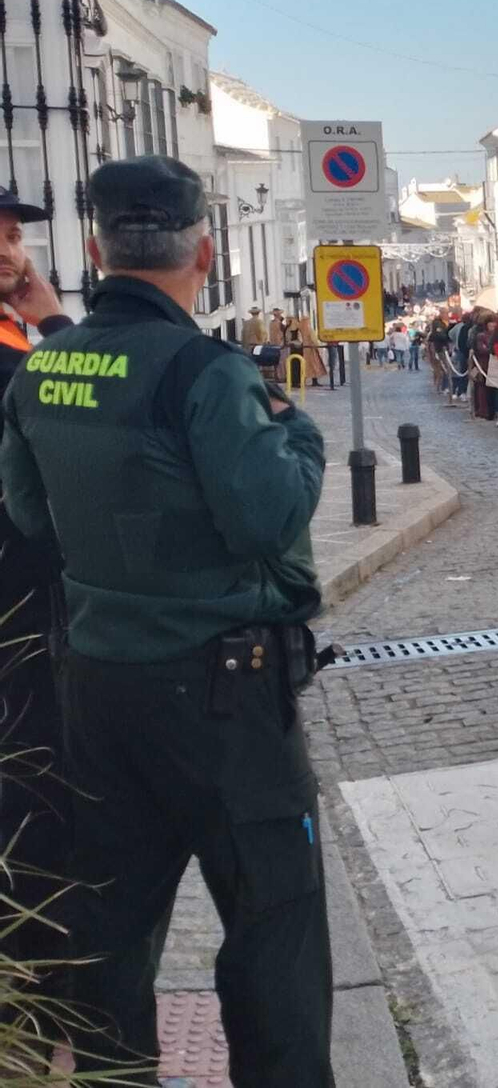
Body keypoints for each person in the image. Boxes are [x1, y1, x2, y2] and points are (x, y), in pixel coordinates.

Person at [0, 156, 333, 1085]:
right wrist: (296, 428)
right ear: (207, 251)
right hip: (224, 700)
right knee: (275, 925)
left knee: (110, 924)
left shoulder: (43, 365)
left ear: (98, 247)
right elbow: (267, 515)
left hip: (99, 691)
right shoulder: (206, 370)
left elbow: (31, 519)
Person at [0, 191, 75, 976]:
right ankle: (38, 973)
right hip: (17, 613)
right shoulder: (24, 362)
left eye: (15, 236)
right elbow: (94, 415)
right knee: (31, 784)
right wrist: (55, 325)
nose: (11, 249)